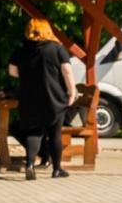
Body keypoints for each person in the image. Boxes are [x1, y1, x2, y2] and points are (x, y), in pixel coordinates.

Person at [6, 18, 75, 180]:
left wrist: (29, 74)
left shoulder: (21, 49)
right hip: (55, 97)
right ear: (48, 30)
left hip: (30, 96)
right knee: (55, 134)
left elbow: (12, 72)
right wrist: (72, 92)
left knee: (33, 131)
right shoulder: (57, 48)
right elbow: (67, 71)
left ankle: (30, 164)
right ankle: (57, 169)